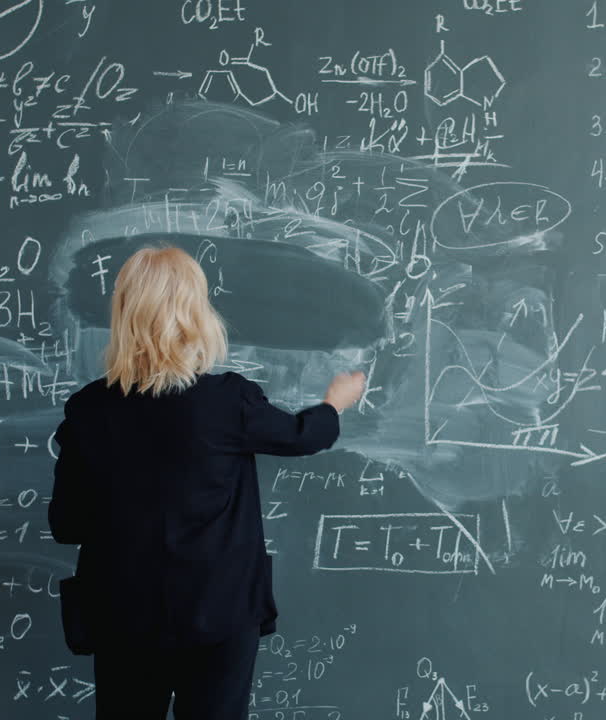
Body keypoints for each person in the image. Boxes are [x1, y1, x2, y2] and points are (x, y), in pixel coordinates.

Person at [47, 245, 366, 719]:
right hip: (220, 614)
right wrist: (334, 403)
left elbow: (67, 525)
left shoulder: (89, 411)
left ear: (124, 313)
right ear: (195, 313)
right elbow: (302, 436)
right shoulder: (228, 402)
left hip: (124, 618)